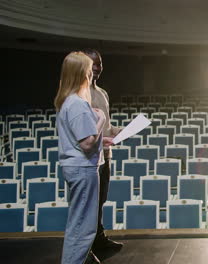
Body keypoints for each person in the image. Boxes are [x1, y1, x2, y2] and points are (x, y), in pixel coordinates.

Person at [55, 51, 113, 264]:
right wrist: (100, 119)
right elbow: (87, 143)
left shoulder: (67, 101)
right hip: (83, 169)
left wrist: (102, 141)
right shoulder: (77, 104)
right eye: (89, 71)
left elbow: (82, 139)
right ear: (82, 74)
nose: (91, 75)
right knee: (83, 229)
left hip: (78, 167)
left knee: (79, 225)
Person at [82, 49, 124, 256]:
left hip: (105, 156)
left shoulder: (102, 93)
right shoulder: (78, 94)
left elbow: (105, 127)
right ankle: (85, 250)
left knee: (100, 201)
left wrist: (121, 131)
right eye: (93, 64)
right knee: (88, 206)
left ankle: (99, 240)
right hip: (88, 159)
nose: (98, 68)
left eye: (100, 63)